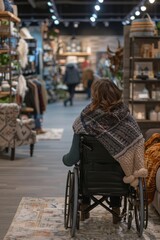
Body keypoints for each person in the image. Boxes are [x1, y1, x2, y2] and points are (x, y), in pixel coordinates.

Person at [62, 78, 148, 223]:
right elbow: (136, 144)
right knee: (118, 160)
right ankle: (115, 208)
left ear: (94, 95)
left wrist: (65, 159)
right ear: (116, 94)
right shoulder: (128, 120)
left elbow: (73, 158)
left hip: (90, 179)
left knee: (82, 166)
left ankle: (84, 206)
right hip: (118, 181)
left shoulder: (83, 121)